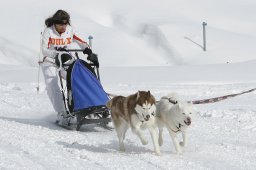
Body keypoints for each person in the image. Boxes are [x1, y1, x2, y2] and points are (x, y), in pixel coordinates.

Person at [40, 9, 92, 113]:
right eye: (60, 24)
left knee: (76, 79)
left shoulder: (70, 30)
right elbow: (44, 49)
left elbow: (81, 41)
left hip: (66, 60)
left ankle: (83, 107)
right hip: (50, 61)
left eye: (65, 23)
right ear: (55, 23)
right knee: (52, 84)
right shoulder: (48, 31)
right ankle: (62, 113)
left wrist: (87, 50)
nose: (63, 26)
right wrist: (55, 53)